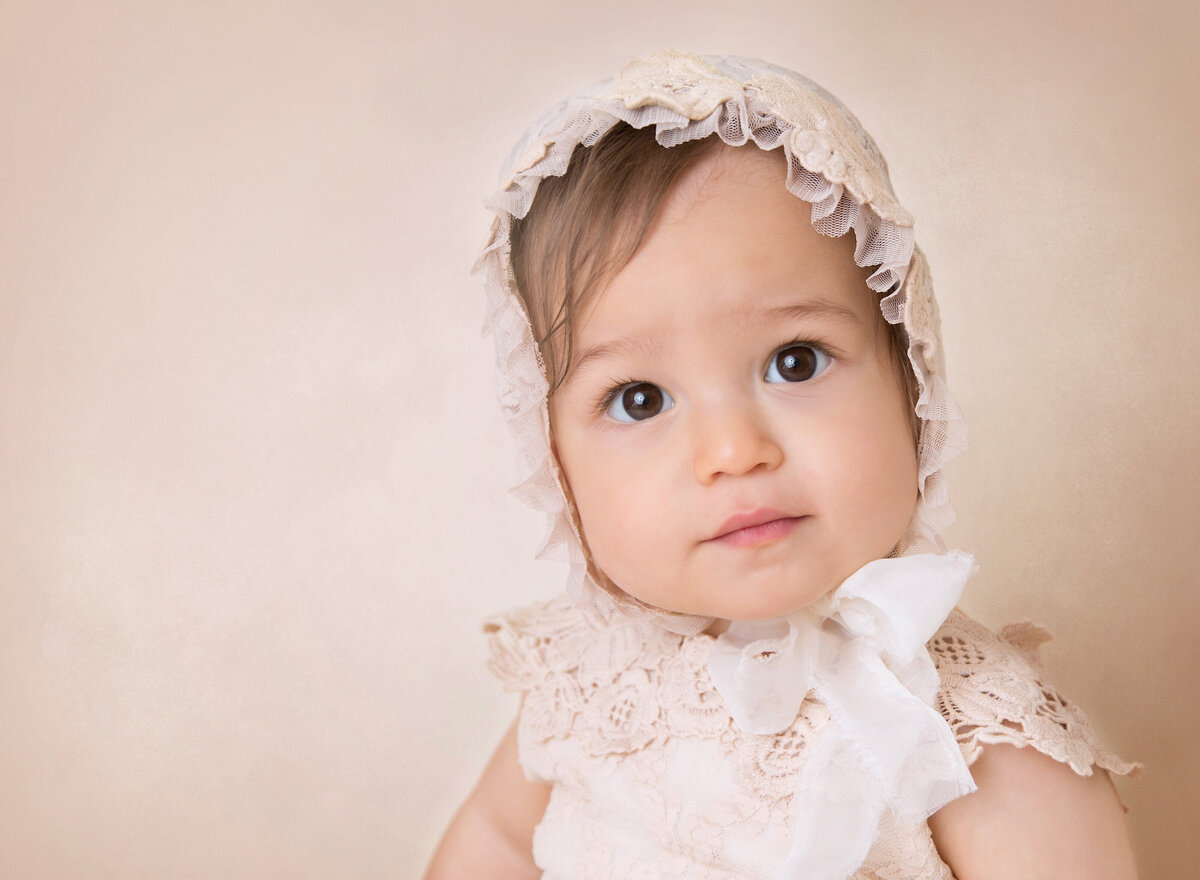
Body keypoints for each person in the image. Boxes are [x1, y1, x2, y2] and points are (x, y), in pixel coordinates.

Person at [424, 51, 1140, 880]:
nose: (732, 453)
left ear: (914, 378)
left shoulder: (978, 744)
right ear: (554, 462)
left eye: (796, 361)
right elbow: (499, 842)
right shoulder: (587, 685)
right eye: (640, 399)